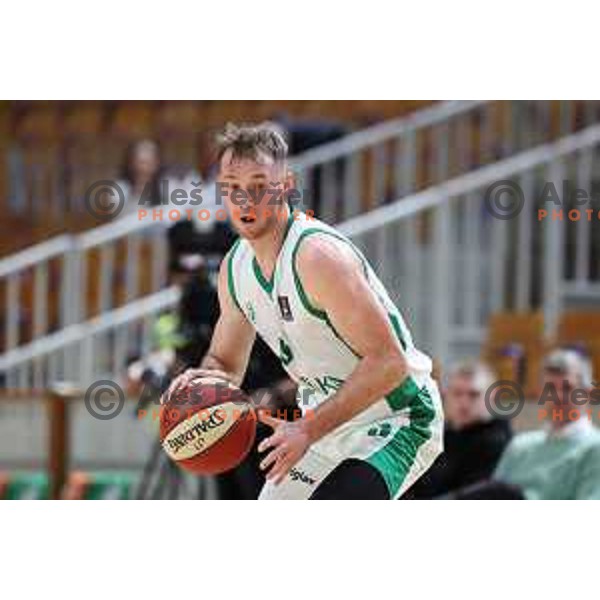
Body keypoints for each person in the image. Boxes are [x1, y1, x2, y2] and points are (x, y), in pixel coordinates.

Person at [164, 122, 444, 500]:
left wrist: (308, 429)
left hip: (396, 417)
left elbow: (388, 362)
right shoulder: (234, 268)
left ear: (286, 184)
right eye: (232, 187)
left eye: (258, 185)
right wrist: (200, 384)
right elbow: (225, 363)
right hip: (322, 426)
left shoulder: (317, 257)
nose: (244, 199)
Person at [491, 349, 600, 500]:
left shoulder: (595, 448)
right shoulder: (519, 446)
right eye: (550, 388)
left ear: (587, 393)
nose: (558, 396)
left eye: (567, 388)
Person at [405, 361, 512, 499]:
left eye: (474, 395)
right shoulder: (435, 436)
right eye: (457, 393)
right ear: (445, 395)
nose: (464, 403)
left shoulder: (499, 441)